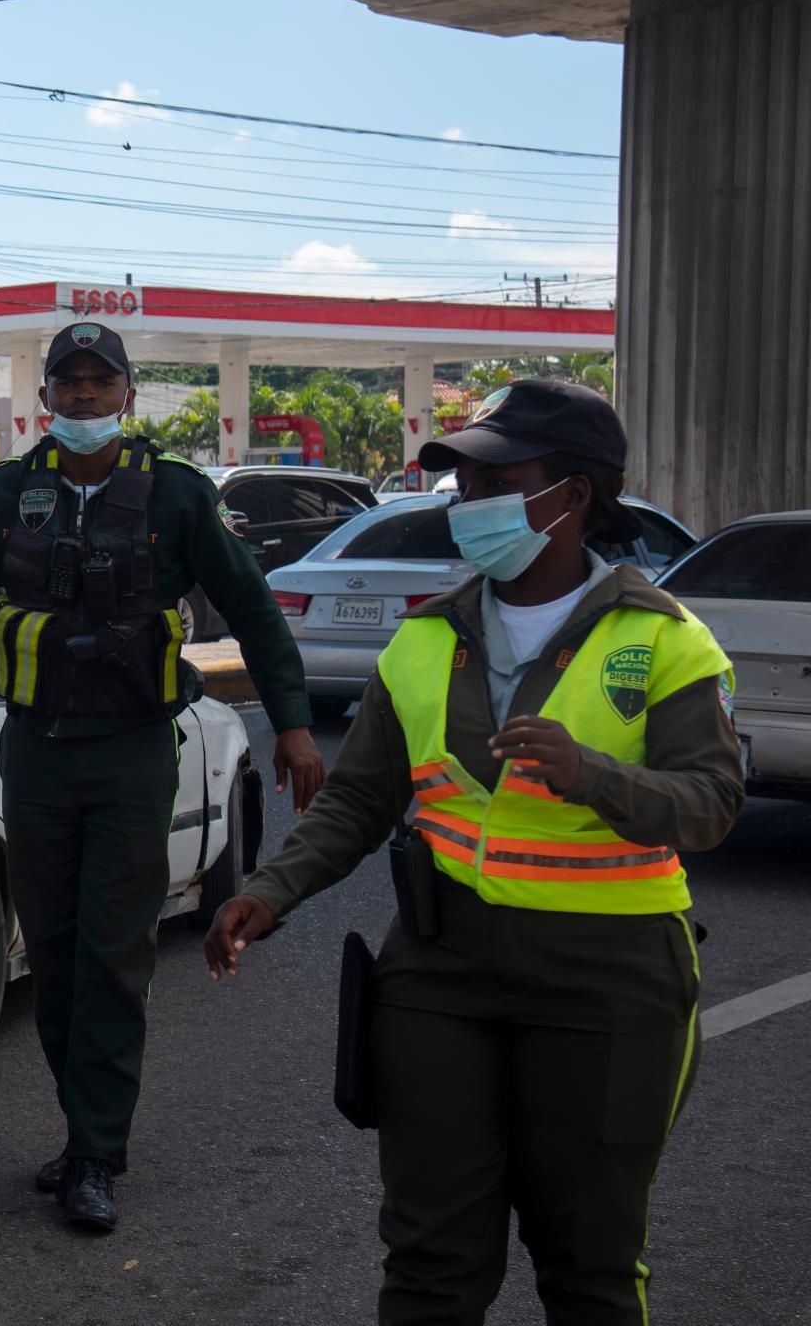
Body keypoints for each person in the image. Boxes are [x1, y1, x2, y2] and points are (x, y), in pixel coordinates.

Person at [205, 380, 743, 1324]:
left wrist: (592, 775)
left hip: (609, 984)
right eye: (464, 485)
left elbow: (708, 805)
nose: (469, 504)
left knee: (591, 1269)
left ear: (572, 497)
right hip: (442, 973)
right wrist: (271, 890)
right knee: (429, 1265)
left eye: (497, 480)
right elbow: (363, 798)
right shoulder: (424, 638)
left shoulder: (665, 641)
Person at [0, 321, 326, 1232]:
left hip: (133, 756)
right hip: (34, 756)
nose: (82, 399)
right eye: (68, 384)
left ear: (128, 397)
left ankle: (98, 1151)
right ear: (47, 400)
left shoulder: (176, 496)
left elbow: (256, 613)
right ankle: (82, 1132)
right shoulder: (5, 494)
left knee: (113, 954)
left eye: (100, 384)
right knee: (56, 957)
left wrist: (295, 727)